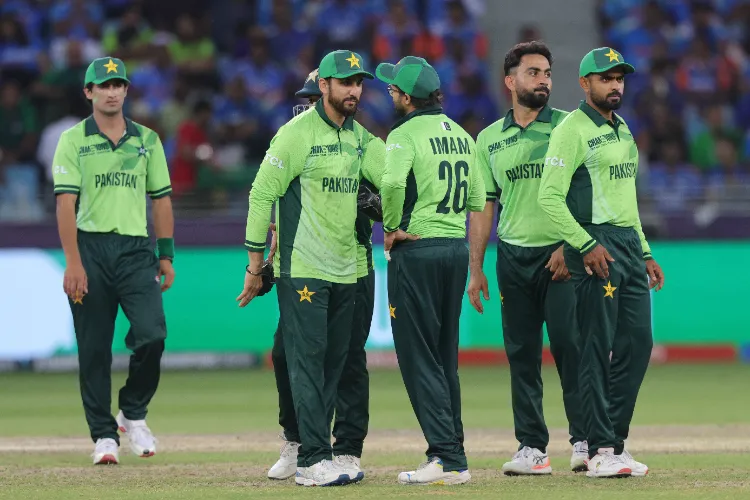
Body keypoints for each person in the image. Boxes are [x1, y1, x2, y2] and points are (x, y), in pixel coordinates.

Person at [237, 50, 384, 487]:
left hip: (348, 268)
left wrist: (393, 211)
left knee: (336, 364)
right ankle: (311, 457)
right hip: (302, 269)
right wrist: (253, 262)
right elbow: (261, 194)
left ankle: (333, 452)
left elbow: (395, 177)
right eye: (346, 82)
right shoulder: (294, 135)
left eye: (359, 82)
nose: (355, 90)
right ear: (325, 87)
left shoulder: (361, 139)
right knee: (304, 361)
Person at [538, 47, 665, 478]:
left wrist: (644, 250)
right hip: (595, 243)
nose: (615, 86)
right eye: (606, 78)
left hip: (627, 243)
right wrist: (584, 244)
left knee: (638, 343)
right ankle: (598, 449)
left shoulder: (623, 128)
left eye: (620, 78)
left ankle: (615, 443)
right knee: (595, 347)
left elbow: (626, 201)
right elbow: (549, 198)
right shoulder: (571, 130)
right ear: (585, 83)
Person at [468, 41, 587, 476]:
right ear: (510, 80)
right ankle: (532, 448)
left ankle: (585, 439)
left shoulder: (569, 128)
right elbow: (483, 206)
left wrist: (569, 246)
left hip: (561, 257)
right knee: (521, 355)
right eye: (534, 72)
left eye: (548, 73)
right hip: (513, 258)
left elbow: (584, 194)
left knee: (571, 347)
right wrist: (476, 267)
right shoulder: (488, 140)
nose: (544, 80)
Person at [51, 57, 175, 465]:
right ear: (88, 92)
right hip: (90, 249)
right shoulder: (73, 139)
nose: (111, 91)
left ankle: (133, 411)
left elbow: (161, 199)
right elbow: (65, 204)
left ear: (126, 90)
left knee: (152, 333)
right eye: (103, 85)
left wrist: (166, 254)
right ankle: (104, 435)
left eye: (118, 84)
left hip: (136, 251)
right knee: (93, 347)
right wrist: (73, 262)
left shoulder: (148, 140)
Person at [376, 56, 485, 485]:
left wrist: (390, 227)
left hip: (417, 250)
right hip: (454, 251)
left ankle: (446, 458)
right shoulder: (462, 135)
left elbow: (390, 184)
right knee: (444, 358)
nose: (389, 94)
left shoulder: (403, 133)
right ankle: (452, 451)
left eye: (393, 89)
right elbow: (477, 199)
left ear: (406, 97)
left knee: (418, 356)